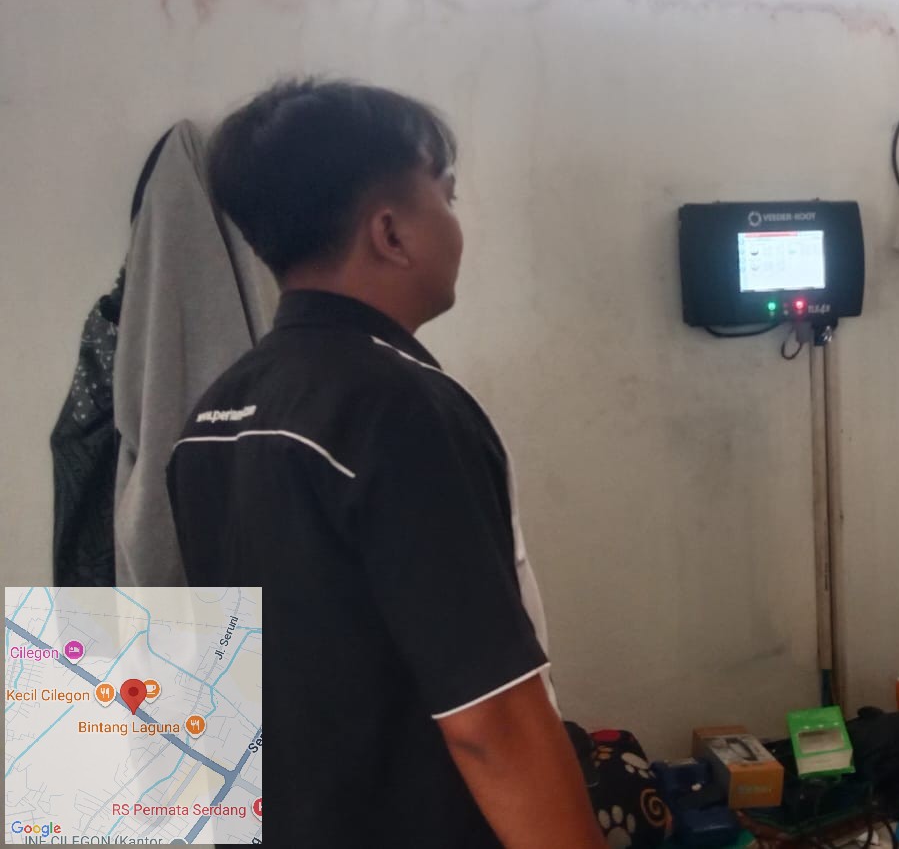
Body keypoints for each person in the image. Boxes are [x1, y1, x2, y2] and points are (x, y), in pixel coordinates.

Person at [166, 80, 605, 849]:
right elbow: (489, 719)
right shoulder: (400, 408)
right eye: (447, 196)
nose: (456, 225)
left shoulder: (210, 417)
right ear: (392, 233)